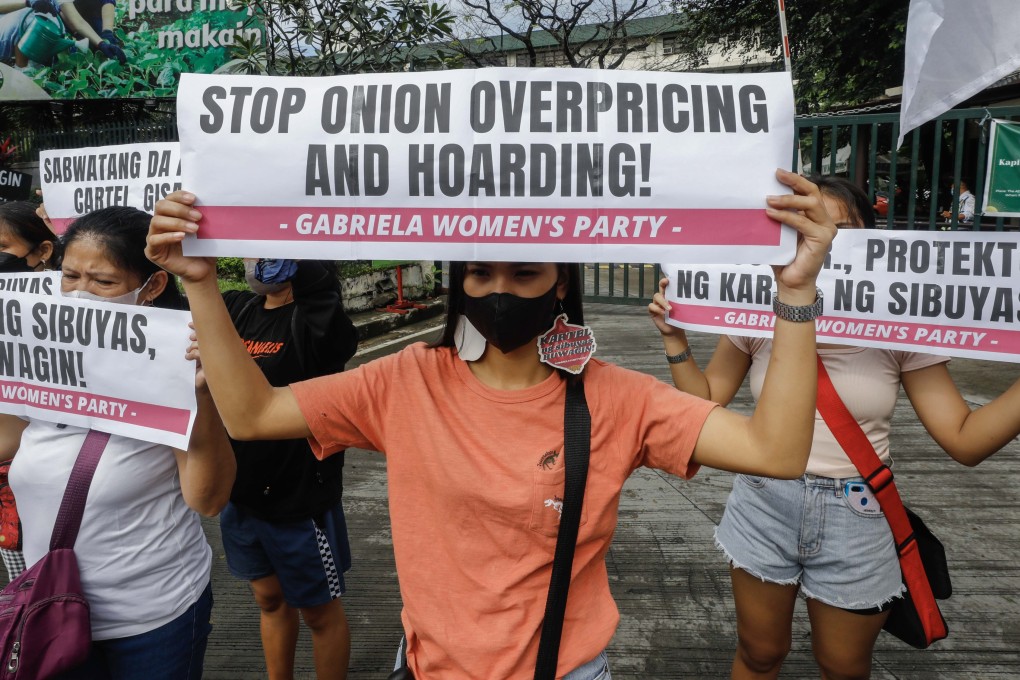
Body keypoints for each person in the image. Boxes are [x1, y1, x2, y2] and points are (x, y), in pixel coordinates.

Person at [148, 169, 835, 679]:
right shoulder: (408, 379)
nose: (498, 289)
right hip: (422, 666)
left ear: (561, 282)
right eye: (478, 273)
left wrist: (796, 294)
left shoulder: (617, 399)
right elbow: (253, 413)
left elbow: (774, 450)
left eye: (524, 272)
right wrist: (201, 283)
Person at [648, 175, 1020, 680]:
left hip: (857, 513)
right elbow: (707, 402)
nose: (817, 244)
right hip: (764, 500)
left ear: (873, 241)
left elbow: (965, 438)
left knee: (844, 667)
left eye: (837, 231)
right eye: (801, 230)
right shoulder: (759, 313)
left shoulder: (900, 326)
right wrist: (676, 340)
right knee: (759, 654)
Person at [2, 205, 235, 679]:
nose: (81, 293)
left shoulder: (174, 360)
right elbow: (4, 441)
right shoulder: (36, 354)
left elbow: (208, 499)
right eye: (70, 276)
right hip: (49, 611)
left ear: (151, 286)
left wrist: (200, 400)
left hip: (153, 619)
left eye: (103, 282)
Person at [220, 258, 358, 680]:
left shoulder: (318, 324)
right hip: (240, 493)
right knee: (268, 598)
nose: (255, 261)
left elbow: (326, 308)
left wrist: (302, 251)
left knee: (319, 612)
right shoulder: (237, 309)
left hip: (298, 498)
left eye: (269, 249)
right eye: (250, 251)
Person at [0, 200, 58, 580]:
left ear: (42, 252)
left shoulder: (71, 318)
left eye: (2, 248)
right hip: (11, 507)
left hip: (50, 487)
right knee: (26, 595)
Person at [0, 0, 124, 66]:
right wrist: (26, 2)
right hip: (6, 26)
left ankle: (32, 67)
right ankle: (22, 69)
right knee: (33, 17)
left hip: (19, 29)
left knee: (50, 18)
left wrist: (104, 38)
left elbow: (78, 21)